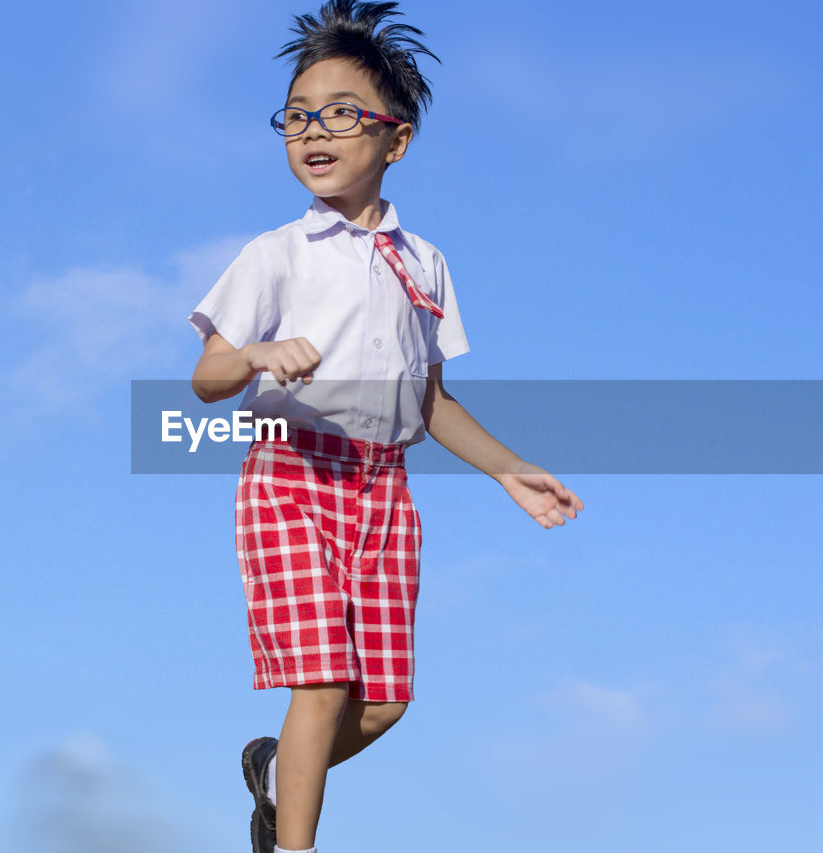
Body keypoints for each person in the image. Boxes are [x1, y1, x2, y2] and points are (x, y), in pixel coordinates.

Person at [187, 3, 583, 851]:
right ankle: (294, 846)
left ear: (394, 140)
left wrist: (509, 470)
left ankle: (272, 770)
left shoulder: (425, 262)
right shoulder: (277, 253)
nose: (313, 131)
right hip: (293, 473)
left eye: (339, 113)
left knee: (385, 702)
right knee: (322, 682)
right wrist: (257, 352)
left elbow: (430, 400)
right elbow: (206, 378)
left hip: (384, 486)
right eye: (296, 115)